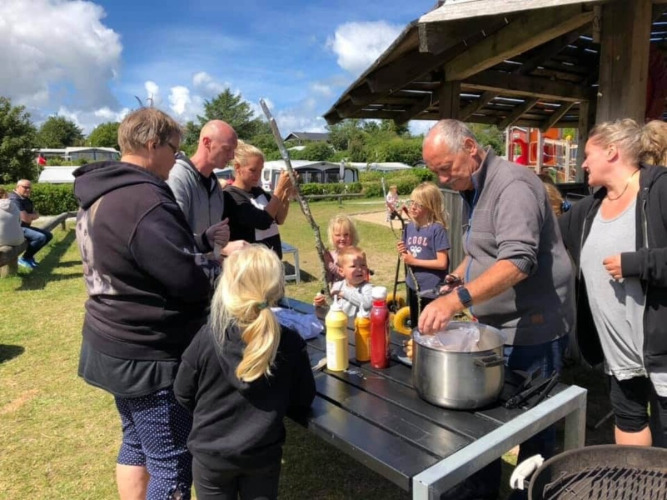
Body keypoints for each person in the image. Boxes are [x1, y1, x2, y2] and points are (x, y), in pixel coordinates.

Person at [73, 107, 229, 500]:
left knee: (136, 442)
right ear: (151, 144)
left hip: (110, 339)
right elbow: (186, 280)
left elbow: (136, 251)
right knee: (171, 464)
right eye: (174, 149)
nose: (177, 158)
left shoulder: (101, 191)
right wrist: (223, 268)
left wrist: (198, 243)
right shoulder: (145, 199)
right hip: (147, 353)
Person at [417, 119, 575, 499]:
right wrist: (458, 277)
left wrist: (456, 300)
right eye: (436, 172)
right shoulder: (474, 185)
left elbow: (518, 261)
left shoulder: (513, 185)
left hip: (533, 328)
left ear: (470, 148)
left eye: (445, 169)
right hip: (493, 326)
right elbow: (481, 249)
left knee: (534, 429)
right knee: (483, 424)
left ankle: (531, 494)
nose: (442, 180)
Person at [174, 244, 316, 500]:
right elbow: (302, 399)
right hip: (262, 454)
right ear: (276, 288)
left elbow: (183, 391)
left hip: (211, 455)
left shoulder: (209, 337)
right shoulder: (290, 343)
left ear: (228, 287)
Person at [559, 118, 667, 447]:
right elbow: (545, 233)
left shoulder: (660, 190)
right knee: (629, 421)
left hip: (662, 351)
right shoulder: (588, 209)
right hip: (619, 356)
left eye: (587, 154)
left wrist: (637, 263)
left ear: (611, 151)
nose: (583, 164)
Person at [168, 120, 246, 257]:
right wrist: (220, 248)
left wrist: (219, 249)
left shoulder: (215, 185)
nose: (232, 156)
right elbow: (171, 235)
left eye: (233, 150)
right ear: (207, 142)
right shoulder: (177, 177)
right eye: (227, 149)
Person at [223, 141, 294, 258]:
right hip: (250, 263)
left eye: (260, 170)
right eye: (253, 170)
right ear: (237, 167)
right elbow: (263, 222)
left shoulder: (258, 191)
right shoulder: (231, 196)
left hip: (271, 260)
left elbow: (279, 218)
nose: (258, 175)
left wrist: (286, 192)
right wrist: (279, 189)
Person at [397, 182, 450, 329]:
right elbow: (410, 252)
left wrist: (414, 261)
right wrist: (403, 250)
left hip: (431, 290)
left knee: (430, 328)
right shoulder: (410, 227)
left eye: (418, 204)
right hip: (413, 285)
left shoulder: (437, 229)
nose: (412, 207)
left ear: (430, 207)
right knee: (416, 325)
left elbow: (442, 263)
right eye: (412, 202)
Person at [314, 246, 373, 318]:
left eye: (363, 265)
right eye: (353, 266)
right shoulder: (338, 286)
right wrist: (322, 304)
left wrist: (343, 294)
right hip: (339, 323)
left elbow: (367, 305)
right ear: (341, 271)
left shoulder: (367, 288)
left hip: (359, 324)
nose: (359, 269)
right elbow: (330, 308)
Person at [9, 180, 53, 269]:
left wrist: (31, 216)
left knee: (48, 235)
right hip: (14, 229)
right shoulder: (14, 199)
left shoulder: (25, 198)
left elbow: (35, 213)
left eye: (29, 188)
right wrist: (32, 216)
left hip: (23, 227)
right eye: (25, 187)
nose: (28, 190)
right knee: (40, 237)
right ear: (17, 187)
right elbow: (25, 218)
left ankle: (29, 257)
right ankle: (24, 258)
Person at [323, 214, 360, 285]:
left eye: (346, 235)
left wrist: (329, 265)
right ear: (332, 236)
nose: (342, 238)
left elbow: (346, 274)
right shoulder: (332, 255)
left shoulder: (354, 255)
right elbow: (329, 279)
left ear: (352, 235)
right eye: (338, 235)